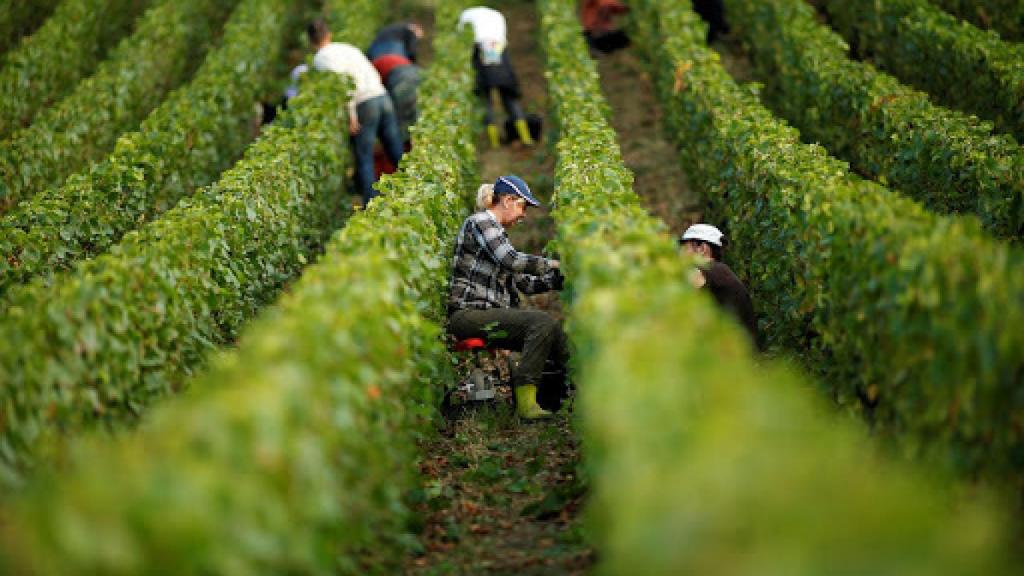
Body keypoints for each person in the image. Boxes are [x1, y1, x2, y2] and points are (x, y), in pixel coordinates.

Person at [448, 175, 567, 420]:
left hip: (488, 314)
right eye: (523, 206)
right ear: (508, 200)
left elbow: (527, 284)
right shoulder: (480, 222)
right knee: (541, 323)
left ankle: (573, 391)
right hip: (469, 315)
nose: (524, 214)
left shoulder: (498, 236)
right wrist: (552, 263)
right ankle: (526, 404)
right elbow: (511, 260)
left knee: (554, 332)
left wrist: (562, 277)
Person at [307, 19, 404, 205]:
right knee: (395, 148)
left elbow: (344, 85)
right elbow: (371, 70)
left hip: (364, 103)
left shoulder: (321, 59)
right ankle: (414, 187)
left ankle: (371, 204)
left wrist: (351, 114)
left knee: (364, 156)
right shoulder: (347, 48)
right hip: (381, 95)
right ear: (329, 35)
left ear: (311, 42)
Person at [458, 6, 534, 148]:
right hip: (503, 66)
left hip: (482, 68)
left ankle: (494, 143)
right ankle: (526, 138)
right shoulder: (497, 15)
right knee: (510, 101)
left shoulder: (467, 15)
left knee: (486, 104)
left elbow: (462, 37)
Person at [679, 223, 759, 347]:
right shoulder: (720, 271)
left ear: (701, 248)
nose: (681, 253)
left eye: (685, 247)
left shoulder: (701, 271)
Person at [368, 23, 423, 145]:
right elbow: (412, 48)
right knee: (403, 114)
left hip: (377, 55)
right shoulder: (409, 30)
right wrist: (413, 63)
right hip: (397, 66)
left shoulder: (386, 33)